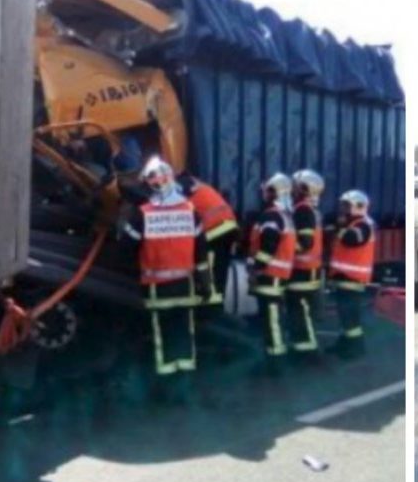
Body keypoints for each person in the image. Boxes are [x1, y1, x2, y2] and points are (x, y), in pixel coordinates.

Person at [121, 156, 211, 388]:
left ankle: (166, 381)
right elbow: (201, 251)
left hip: (156, 288)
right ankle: (185, 381)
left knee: (162, 335)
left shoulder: (143, 214)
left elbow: (126, 248)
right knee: (184, 330)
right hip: (185, 285)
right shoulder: (191, 211)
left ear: (149, 184)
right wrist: (205, 283)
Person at [248, 173, 297, 372]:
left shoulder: (271, 215)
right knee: (272, 318)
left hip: (270, 275)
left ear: (274, 192)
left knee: (271, 318)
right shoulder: (285, 215)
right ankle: (273, 356)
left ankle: (275, 361)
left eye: (268, 190)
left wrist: (256, 267)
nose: (264, 194)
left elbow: (269, 244)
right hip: (278, 274)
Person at [178, 171, 239, 307]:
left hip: (213, 231)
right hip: (230, 227)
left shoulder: (182, 186)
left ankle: (210, 305)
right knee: (220, 269)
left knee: (209, 269)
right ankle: (218, 301)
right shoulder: (202, 187)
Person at [328, 189, 375, 359]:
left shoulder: (364, 224)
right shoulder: (353, 224)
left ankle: (355, 349)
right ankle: (344, 345)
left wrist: (338, 228)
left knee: (350, 317)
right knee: (344, 315)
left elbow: (352, 239)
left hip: (352, 280)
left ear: (359, 206)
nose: (343, 210)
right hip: (344, 278)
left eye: (347, 206)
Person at [286, 170, 325, 361]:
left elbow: (305, 242)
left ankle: (308, 352)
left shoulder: (302, 210)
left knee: (299, 310)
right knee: (301, 311)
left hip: (302, 270)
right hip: (308, 269)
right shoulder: (310, 209)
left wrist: (284, 246)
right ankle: (303, 348)